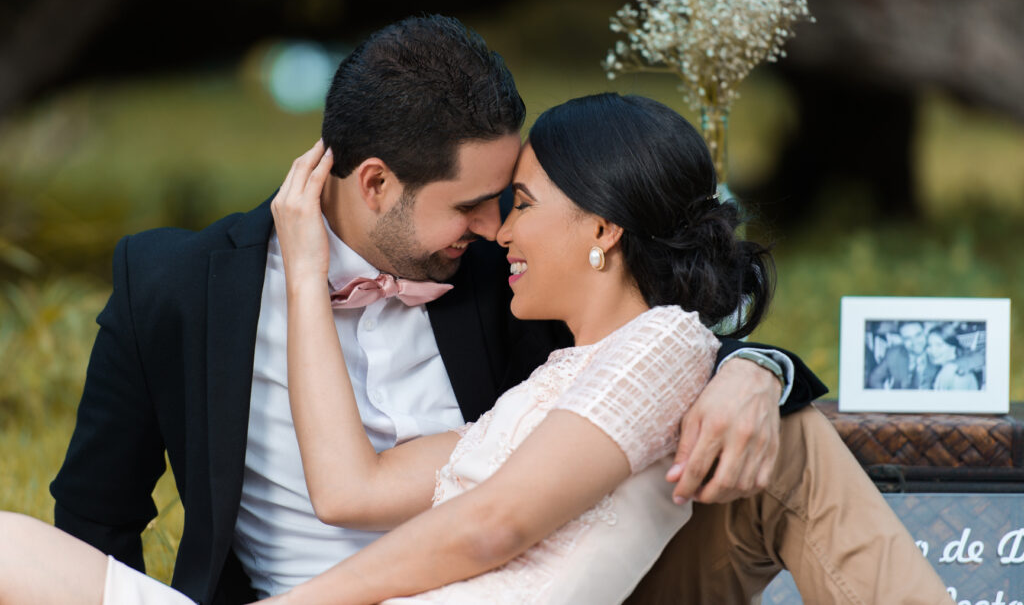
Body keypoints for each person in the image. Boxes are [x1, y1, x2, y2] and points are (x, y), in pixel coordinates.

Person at [0, 93, 949, 604]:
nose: (498, 229)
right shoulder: (178, 282)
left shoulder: (534, 300)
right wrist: (298, 275)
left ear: (603, 228)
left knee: (798, 444)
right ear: (375, 183)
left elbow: (492, 522)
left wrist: (756, 367)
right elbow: (350, 489)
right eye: (485, 205)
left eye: (520, 202)